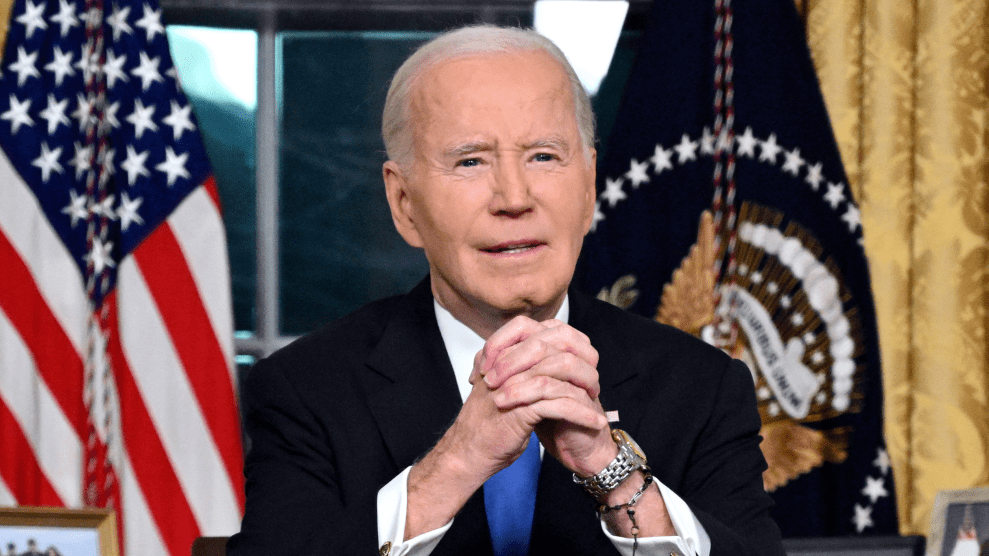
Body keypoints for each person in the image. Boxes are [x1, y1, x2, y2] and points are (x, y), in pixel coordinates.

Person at [227, 25, 784, 556]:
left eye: (543, 156)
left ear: (589, 187)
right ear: (404, 205)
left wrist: (612, 473)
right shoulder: (305, 391)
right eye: (470, 161)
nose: (514, 197)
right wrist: (458, 461)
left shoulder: (704, 387)